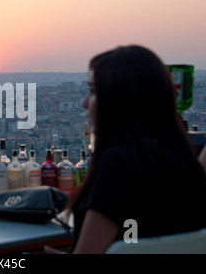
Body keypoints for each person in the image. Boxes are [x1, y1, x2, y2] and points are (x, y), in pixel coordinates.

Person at [47, 45, 206, 254]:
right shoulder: (184, 161)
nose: (84, 102)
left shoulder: (118, 165)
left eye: (94, 90)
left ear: (119, 100)